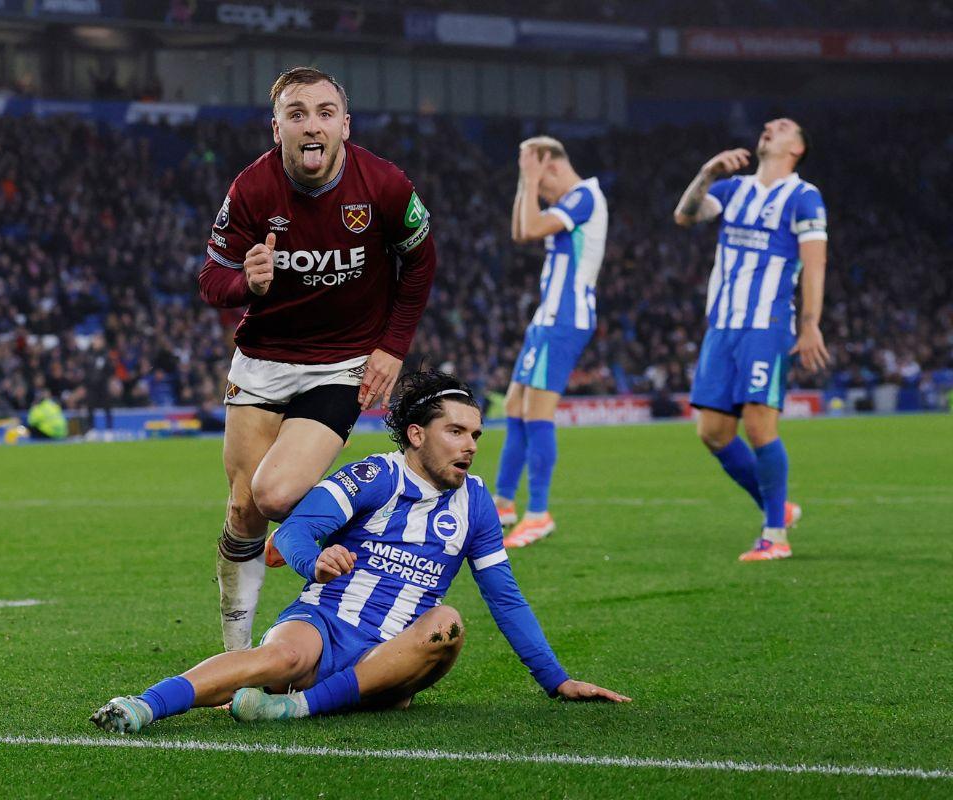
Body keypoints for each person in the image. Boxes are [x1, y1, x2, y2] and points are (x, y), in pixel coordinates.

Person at [91, 371, 629, 733]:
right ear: (416, 434)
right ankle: (141, 706)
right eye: (456, 431)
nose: (469, 445)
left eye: (476, 435)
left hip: (397, 651)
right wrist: (314, 561)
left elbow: (506, 600)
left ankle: (291, 707)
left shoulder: (478, 505)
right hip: (325, 622)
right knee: (280, 656)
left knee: (447, 622)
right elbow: (293, 535)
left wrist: (557, 680)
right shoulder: (375, 474)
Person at [197, 67, 437, 651]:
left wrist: (391, 348)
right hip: (261, 361)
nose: (312, 125)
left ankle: (333, 532)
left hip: (340, 363)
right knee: (244, 508)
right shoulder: (251, 190)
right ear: (276, 126)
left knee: (277, 494)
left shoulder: (384, 185)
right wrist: (245, 286)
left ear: (345, 126)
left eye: (325, 113)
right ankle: (237, 655)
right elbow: (211, 279)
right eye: (297, 113)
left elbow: (421, 264)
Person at [672, 118, 829, 561]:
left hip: (767, 324)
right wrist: (707, 173)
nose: (768, 127)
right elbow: (684, 216)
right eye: (768, 124)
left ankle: (775, 534)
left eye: (781, 127)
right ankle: (778, 507)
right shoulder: (733, 189)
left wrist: (811, 322)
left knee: (760, 426)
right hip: (723, 325)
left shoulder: (803, 196)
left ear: (796, 148)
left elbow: (815, 264)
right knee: (713, 432)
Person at [492, 137, 608, 548]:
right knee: (514, 406)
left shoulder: (584, 197)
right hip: (548, 316)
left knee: (538, 409)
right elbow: (522, 228)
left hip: (566, 317)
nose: (539, 194)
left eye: (542, 184)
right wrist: (528, 182)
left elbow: (532, 228)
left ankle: (538, 512)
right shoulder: (570, 201)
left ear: (553, 167)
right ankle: (504, 503)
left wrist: (530, 176)